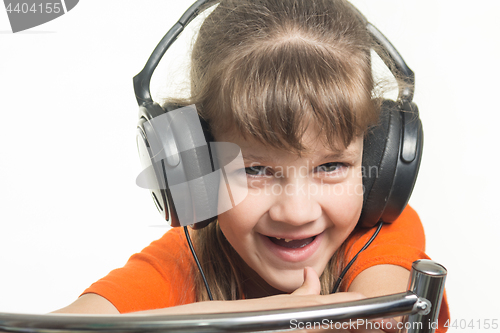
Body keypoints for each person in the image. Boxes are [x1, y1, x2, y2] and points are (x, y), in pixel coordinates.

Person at [54, 0, 449, 332]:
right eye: (256, 170)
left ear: (378, 157)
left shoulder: (380, 234)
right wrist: (275, 316)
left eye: (330, 166)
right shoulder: (182, 260)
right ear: (196, 168)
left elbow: (386, 318)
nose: (296, 213)